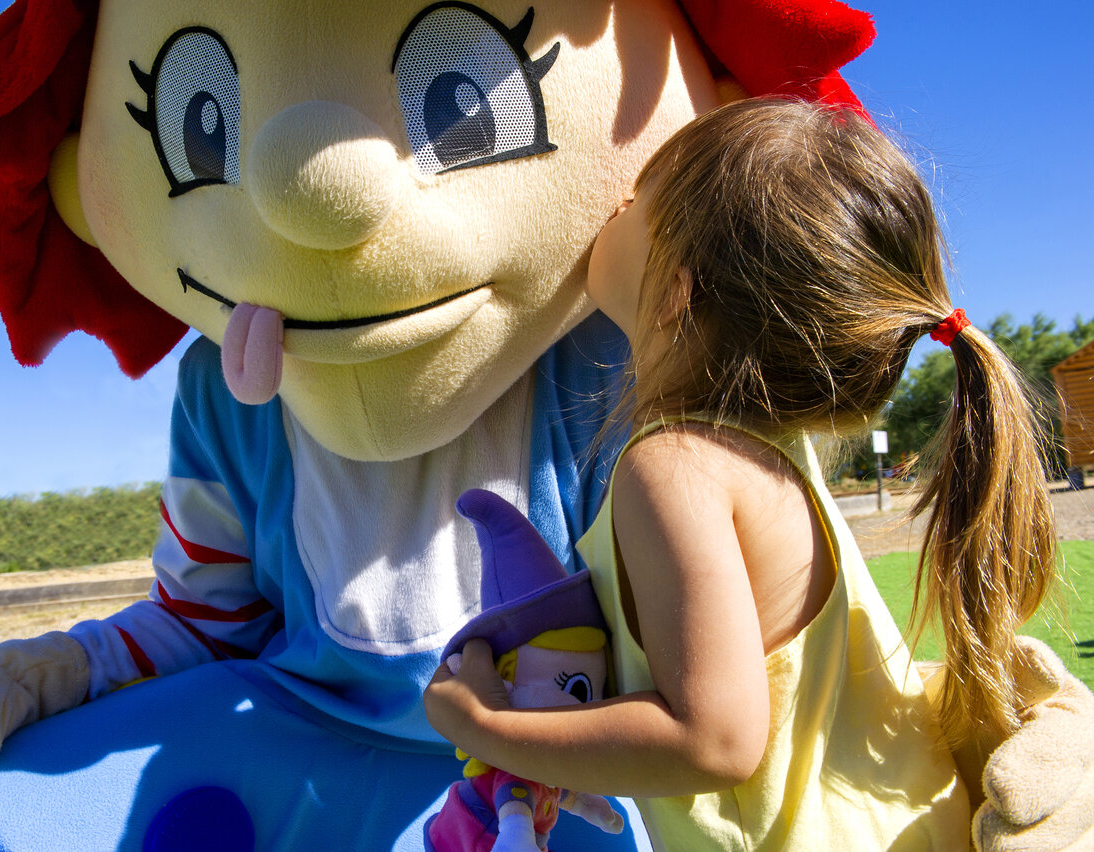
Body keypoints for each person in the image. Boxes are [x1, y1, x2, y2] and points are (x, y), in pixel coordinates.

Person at [423, 97, 1060, 850]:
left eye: (638, 201)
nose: (614, 205)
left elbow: (714, 740)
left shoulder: (674, 469)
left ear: (675, 292)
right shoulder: (773, 455)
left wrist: (489, 728)